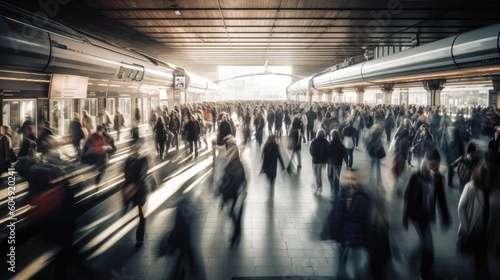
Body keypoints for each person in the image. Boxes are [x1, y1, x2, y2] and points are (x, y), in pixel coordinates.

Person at [403, 149, 451, 280]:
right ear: (426, 162)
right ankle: (424, 271)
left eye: (437, 163)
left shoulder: (438, 178)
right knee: (428, 244)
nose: (435, 166)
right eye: (433, 163)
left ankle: (416, 257)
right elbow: (407, 196)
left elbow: (441, 198)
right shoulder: (416, 175)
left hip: (427, 214)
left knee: (425, 241)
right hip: (416, 215)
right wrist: (405, 217)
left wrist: (446, 216)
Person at [458, 164, 491, 280]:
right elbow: (461, 208)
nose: (489, 179)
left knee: (482, 258)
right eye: (487, 177)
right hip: (475, 230)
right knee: (480, 259)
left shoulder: (489, 189)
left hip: (486, 230)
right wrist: (466, 229)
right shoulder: (470, 187)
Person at [217, 134, 247, 248]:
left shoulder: (233, 165)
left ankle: (236, 235)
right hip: (237, 194)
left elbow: (226, 180)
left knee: (233, 214)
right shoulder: (237, 164)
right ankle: (237, 233)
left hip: (236, 194)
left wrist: (221, 191)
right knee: (236, 215)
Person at [122, 143, 149, 247]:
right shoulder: (143, 160)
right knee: (142, 215)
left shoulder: (128, 160)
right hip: (140, 190)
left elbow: (125, 174)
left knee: (140, 214)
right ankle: (139, 238)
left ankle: (139, 237)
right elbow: (142, 175)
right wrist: (136, 184)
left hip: (130, 189)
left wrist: (130, 185)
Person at [261, 135, 285, 199]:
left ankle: (270, 189)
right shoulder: (275, 146)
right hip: (273, 166)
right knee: (273, 179)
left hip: (267, 166)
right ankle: (272, 190)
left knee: (268, 178)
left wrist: (262, 168)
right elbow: (279, 156)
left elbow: (264, 158)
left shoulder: (266, 146)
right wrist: (282, 165)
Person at [327, 130, 347, 202]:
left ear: (332, 136)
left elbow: (327, 153)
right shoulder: (341, 145)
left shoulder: (330, 144)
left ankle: (333, 192)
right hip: (339, 163)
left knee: (330, 176)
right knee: (337, 178)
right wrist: (347, 163)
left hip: (331, 163)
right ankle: (336, 193)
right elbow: (345, 154)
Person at [310, 129, 329, 195]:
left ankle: (316, 188)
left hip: (315, 160)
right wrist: (325, 161)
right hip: (322, 161)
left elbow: (311, 150)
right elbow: (328, 152)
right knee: (319, 175)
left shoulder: (314, 141)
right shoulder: (326, 142)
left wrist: (313, 156)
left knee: (315, 174)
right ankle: (319, 188)